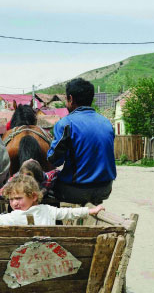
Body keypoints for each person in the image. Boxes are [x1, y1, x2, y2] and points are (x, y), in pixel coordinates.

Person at [46, 77, 116, 207]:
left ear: (71, 99)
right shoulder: (107, 123)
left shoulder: (65, 123)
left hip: (76, 190)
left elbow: (54, 160)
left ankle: (56, 223)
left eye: (66, 99)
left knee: (44, 188)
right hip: (105, 188)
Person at [0, 172, 104, 226]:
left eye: (18, 198)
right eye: (11, 199)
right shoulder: (46, 210)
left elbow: (69, 212)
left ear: (34, 197)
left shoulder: (47, 210)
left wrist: (90, 211)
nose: (14, 203)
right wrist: (91, 210)